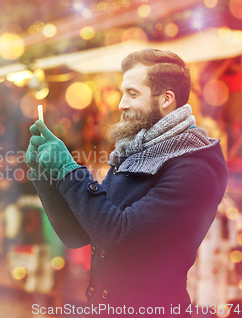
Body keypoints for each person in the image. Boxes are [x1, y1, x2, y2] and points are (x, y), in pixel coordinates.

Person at [26, 49, 228, 317]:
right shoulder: (135, 153)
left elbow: (120, 235)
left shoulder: (195, 168)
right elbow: (76, 235)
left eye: (132, 94)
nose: (121, 104)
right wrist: (46, 174)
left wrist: (67, 169)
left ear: (166, 99)